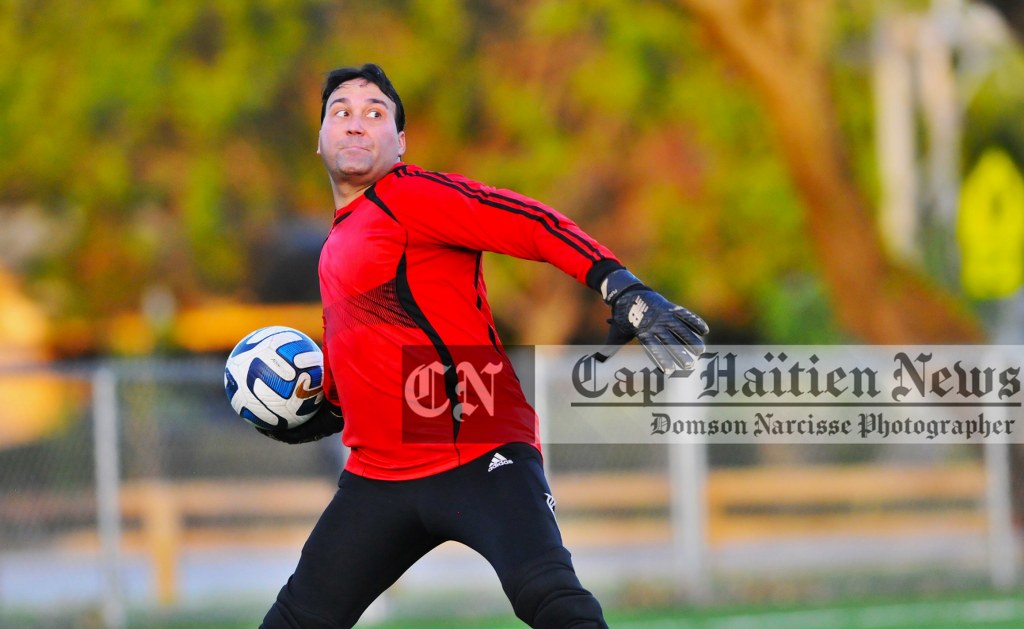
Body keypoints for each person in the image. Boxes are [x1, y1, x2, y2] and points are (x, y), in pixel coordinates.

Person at [256, 63, 708, 629]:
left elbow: (530, 222)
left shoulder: (410, 195)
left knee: (549, 596)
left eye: (375, 114)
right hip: (380, 474)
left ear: (400, 144)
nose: (355, 124)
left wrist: (621, 286)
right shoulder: (336, 244)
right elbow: (367, 371)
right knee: (295, 621)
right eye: (340, 113)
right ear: (319, 138)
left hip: (478, 443)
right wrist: (314, 413)